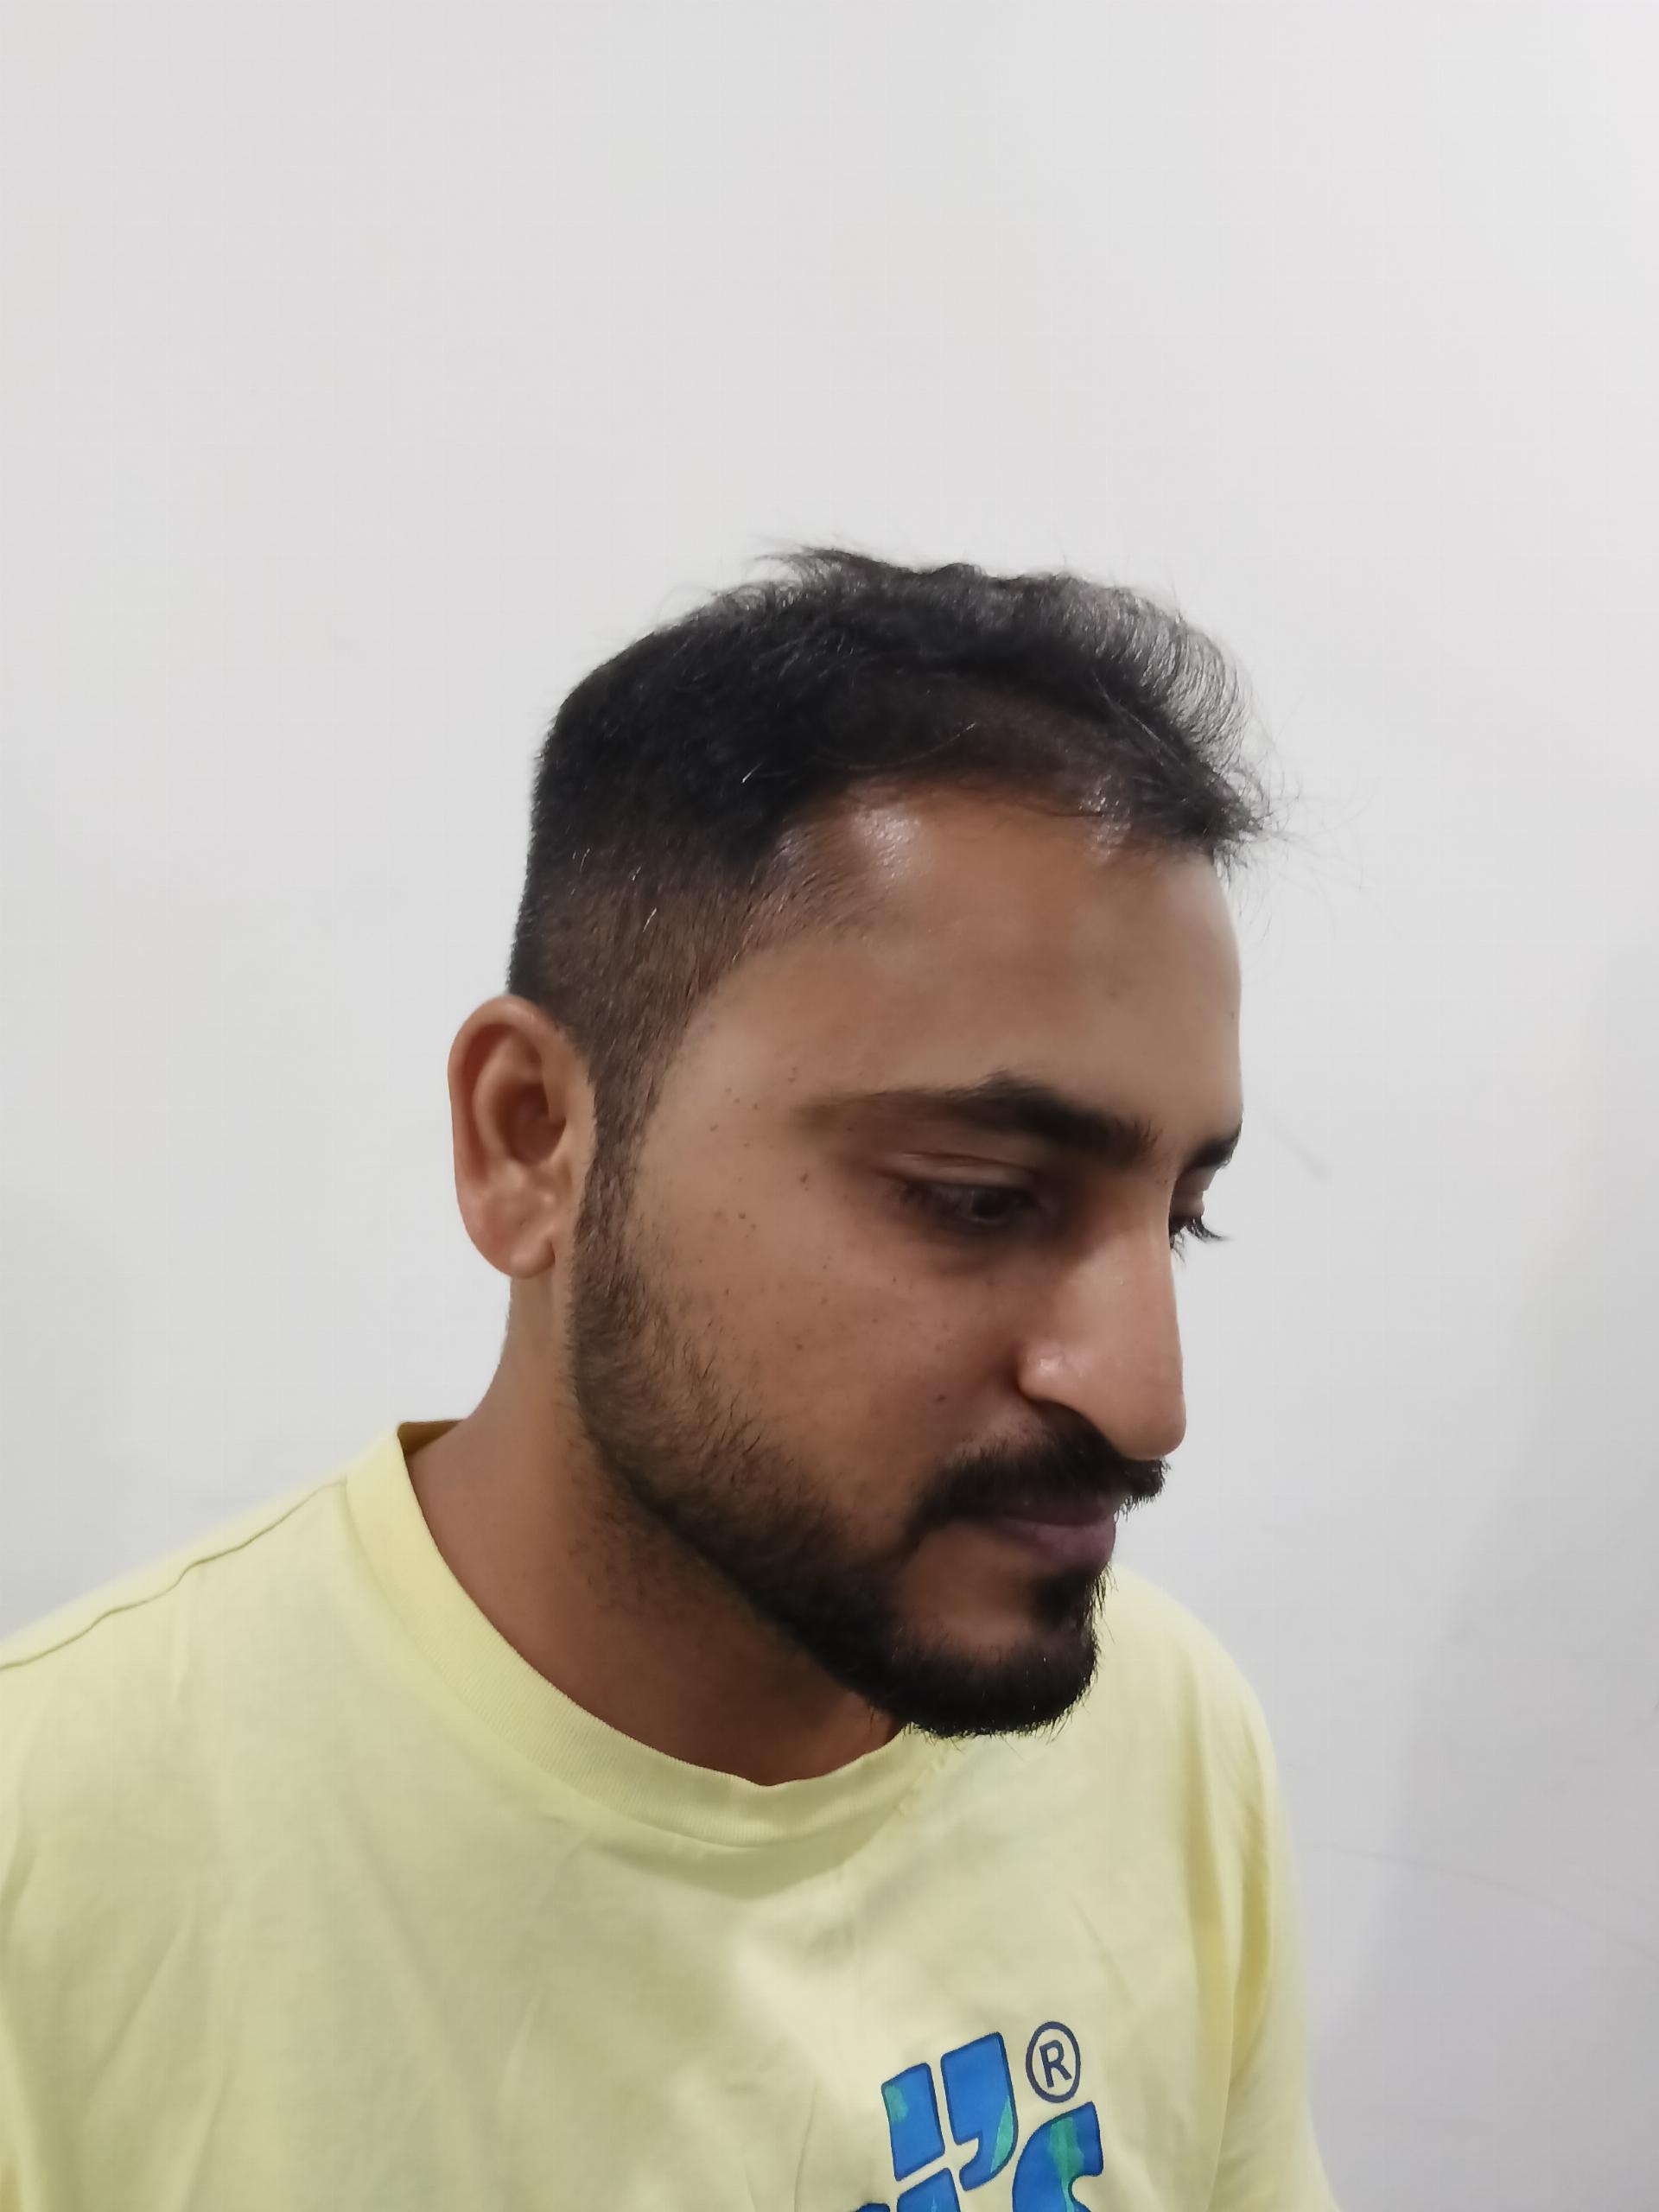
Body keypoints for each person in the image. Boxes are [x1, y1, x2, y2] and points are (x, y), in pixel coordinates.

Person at [0, 550, 1338, 2209]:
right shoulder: (55, 1866)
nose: (1147, 1401)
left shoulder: (1165, 1735)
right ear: (532, 1142)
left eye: (1181, 1219)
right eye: (979, 1198)